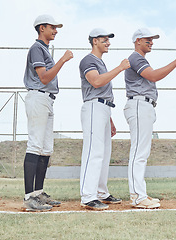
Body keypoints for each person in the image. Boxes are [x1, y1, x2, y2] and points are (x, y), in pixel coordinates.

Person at [124, 28, 176, 209]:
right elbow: (153, 75)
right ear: (137, 41)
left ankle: (140, 193)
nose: (151, 42)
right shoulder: (135, 57)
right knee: (138, 153)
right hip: (138, 104)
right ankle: (137, 196)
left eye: (152, 40)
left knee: (142, 152)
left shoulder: (141, 59)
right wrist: (175, 62)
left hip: (145, 105)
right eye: (147, 39)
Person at [22, 14, 73, 212]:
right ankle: (29, 197)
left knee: (45, 149)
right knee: (35, 145)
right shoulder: (37, 48)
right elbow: (43, 77)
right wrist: (63, 60)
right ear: (41, 28)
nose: (56, 30)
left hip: (47, 99)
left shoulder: (44, 49)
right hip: (38, 96)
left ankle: (38, 193)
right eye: (52, 27)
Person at [79, 28, 130, 210]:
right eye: (104, 40)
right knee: (94, 152)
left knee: (104, 153)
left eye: (108, 40)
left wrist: (109, 118)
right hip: (93, 106)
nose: (108, 42)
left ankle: (101, 192)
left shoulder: (99, 62)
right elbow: (96, 82)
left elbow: (103, 88)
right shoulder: (88, 60)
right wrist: (120, 67)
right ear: (94, 41)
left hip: (103, 108)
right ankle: (87, 196)